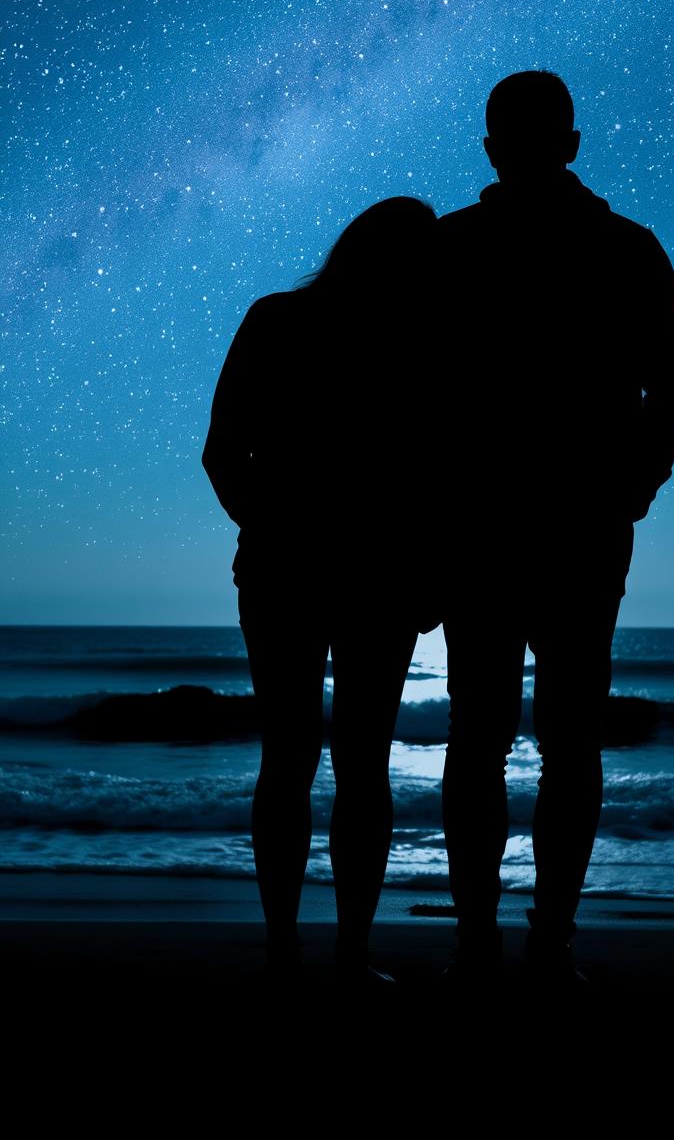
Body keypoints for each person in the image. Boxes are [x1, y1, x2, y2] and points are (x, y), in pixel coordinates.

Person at [434, 70, 674, 986]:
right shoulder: (620, 247)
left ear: (492, 147)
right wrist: (631, 488)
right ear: (570, 144)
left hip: (500, 527)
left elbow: (408, 397)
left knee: (489, 738)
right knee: (557, 741)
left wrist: (631, 489)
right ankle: (539, 943)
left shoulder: (456, 248)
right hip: (557, 526)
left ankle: (496, 942)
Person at [201, 196, 439, 985]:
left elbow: (223, 453)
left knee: (300, 755)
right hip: (353, 571)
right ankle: (338, 951)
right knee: (351, 760)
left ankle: (299, 948)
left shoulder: (284, 320)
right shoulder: (418, 343)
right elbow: (225, 452)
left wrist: (268, 526)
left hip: (303, 569)